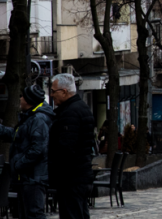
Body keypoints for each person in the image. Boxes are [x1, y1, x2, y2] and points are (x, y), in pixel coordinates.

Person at [0, 84, 53, 219]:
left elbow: (37, 149)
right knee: (25, 214)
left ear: (29, 101)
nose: (20, 99)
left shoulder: (38, 119)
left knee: (34, 214)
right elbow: (15, 135)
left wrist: (18, 164)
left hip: (33, 178)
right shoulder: (30, 117)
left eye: (22, 96)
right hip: (27, 177)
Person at [48, 73, 96, 219]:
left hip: (71, 178)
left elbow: (66, 148)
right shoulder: (82, 108)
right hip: (81, 175)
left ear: (64, 91)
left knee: (72, 214)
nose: (51, 95)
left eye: (53, 91)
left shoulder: (70, 113)